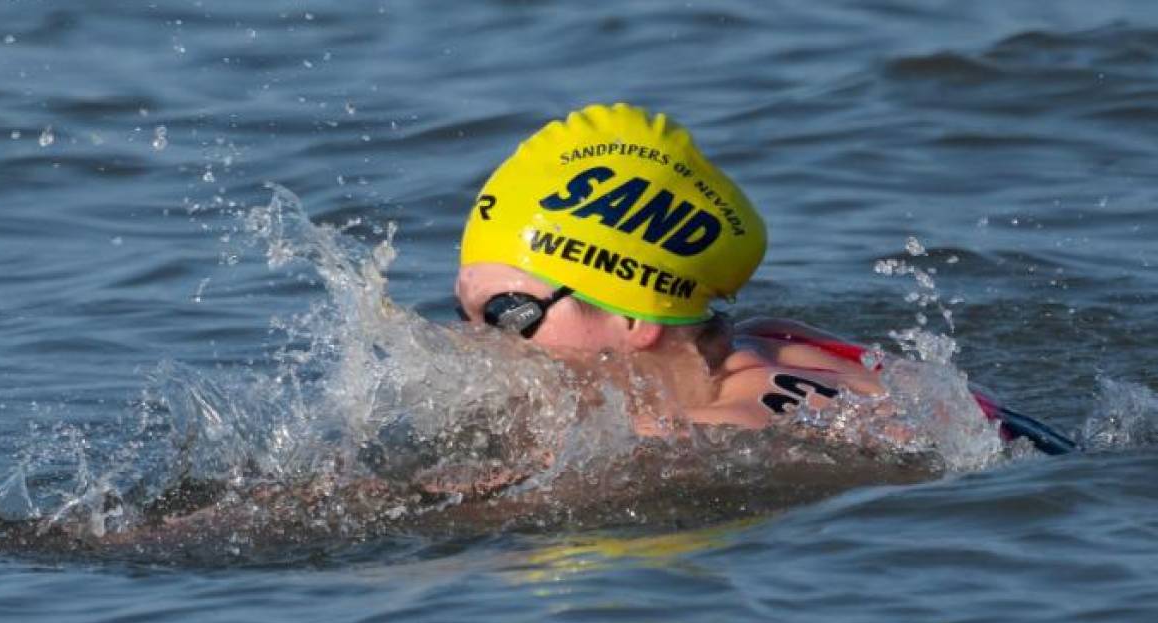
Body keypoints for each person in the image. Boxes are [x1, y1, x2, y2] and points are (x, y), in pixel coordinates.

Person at [455, 103, 1074, 454]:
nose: (477, 343)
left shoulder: (729, 431)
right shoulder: (761, 339)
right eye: (467, 316)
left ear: (632, 317)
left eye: (509, 315)